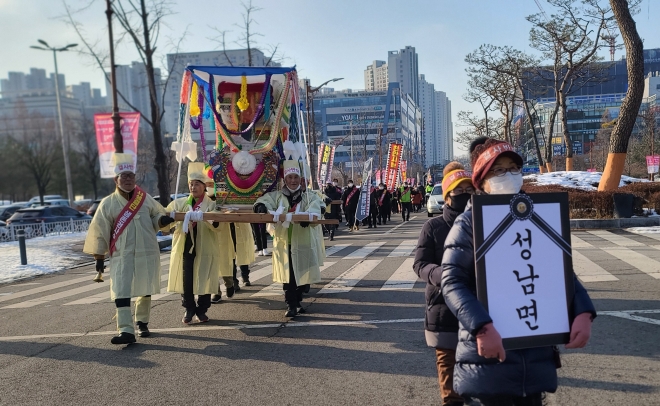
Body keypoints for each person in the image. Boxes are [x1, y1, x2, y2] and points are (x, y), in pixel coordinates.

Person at [441, 137, 596, 406]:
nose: (509, 176)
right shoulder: (468, 224)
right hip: (487, 366)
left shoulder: (536, 217)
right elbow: (452, 282)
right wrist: (481, 327)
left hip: (533, 364)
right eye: (498, 170)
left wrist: (582, 310)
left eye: (513, 168)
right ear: (481, 180)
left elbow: (559, 270)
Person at [84, 153, 172, 345]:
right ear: (116, 180)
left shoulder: (146, 198)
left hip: (146, 251)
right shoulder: (108, 203)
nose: (128, 179)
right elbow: (100, 231)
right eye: (124, 176)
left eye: (131, 176)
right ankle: (126, 330)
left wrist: (162, 220)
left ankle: (142, 322)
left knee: (145, 287)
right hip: (121, 254)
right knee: (121, 290)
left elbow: (157, 216)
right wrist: (99, 257)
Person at [413, 162, 474, 406]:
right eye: (458, 191)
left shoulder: (483, 222)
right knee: (450, 384)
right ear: (447, 197)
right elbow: (420, 264)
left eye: (469, 191)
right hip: (444, 307)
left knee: (479, 377)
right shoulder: (433, 227)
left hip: (479, 307)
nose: (464, 196)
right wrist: (443, 275)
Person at [164, 163, 234, 324]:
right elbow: (166, 220)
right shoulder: (179, 203)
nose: (193, 187)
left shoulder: (211, 204)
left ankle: (202, 309)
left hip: (205, 247)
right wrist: (169, 219)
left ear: (204, 187)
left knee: (205, 277)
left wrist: (205, 217)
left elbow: (218, 224)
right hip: (185, 247)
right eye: (191, 184)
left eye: (197, 184)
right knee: (186, 280)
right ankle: (189, 308)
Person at [254, 159, 322, 317]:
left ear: (300, 179)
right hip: (284, 243)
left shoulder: (308, 196)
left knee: (303, 278)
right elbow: (263, 200)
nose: (293, 180)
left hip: (304, 242)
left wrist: (307, 218)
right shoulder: (277, 196)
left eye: (295, 177)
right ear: (285, 179)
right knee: (289, 277)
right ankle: (291, 305)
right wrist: (261, 206)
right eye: (289, 177)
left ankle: (298, 299)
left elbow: (317, 206)